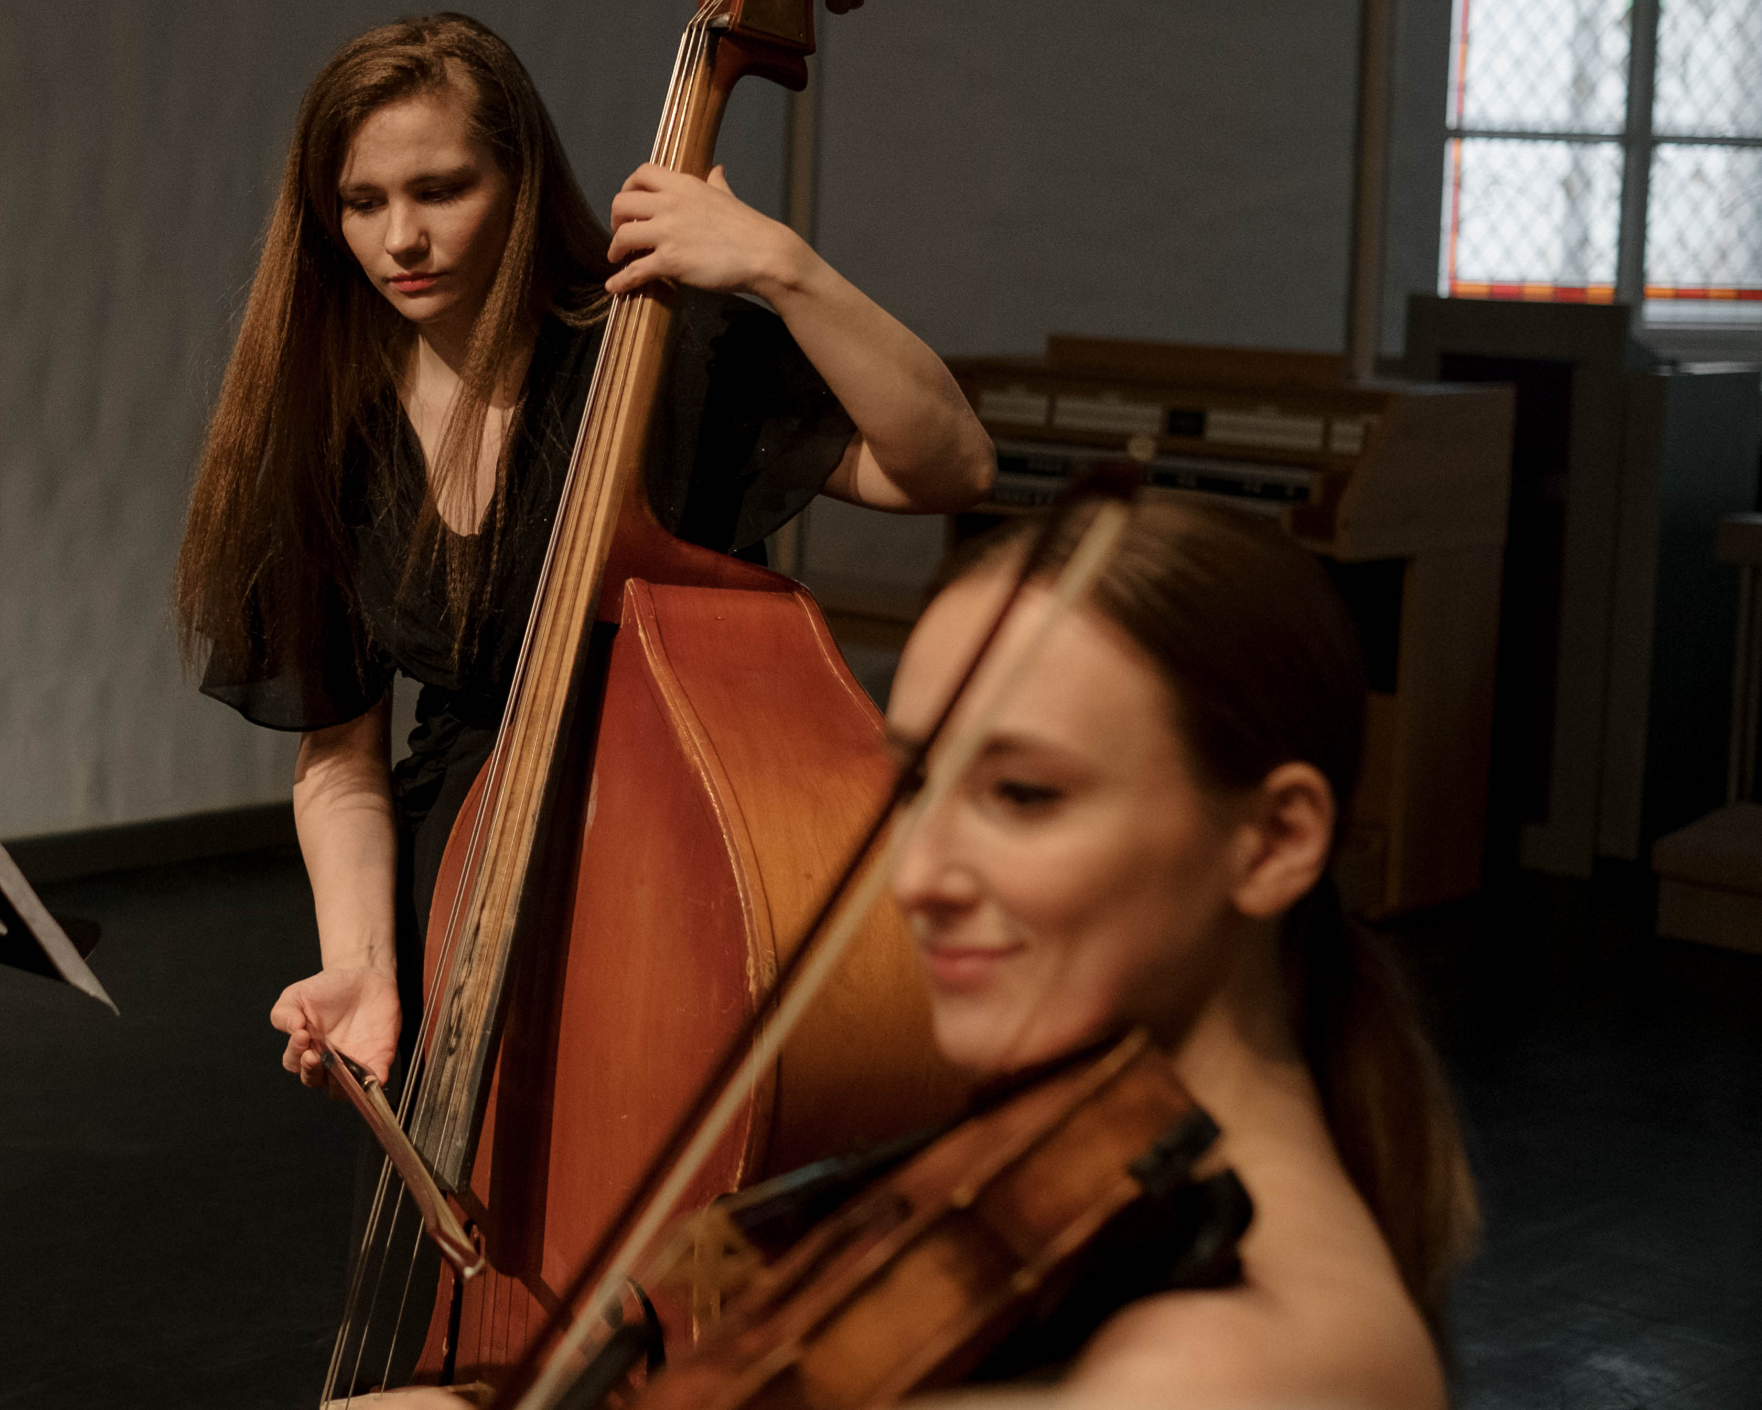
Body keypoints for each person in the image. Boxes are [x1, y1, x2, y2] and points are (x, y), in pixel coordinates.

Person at [353, 491, 1478, 1408]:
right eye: (914, 783)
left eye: (1025, 793)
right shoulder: (1080, 1170)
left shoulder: (1233, 1371)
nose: (920, 875)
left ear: (1274, 839)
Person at [172, 12, 994, 1094]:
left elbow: (944, 467)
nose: (400, 240)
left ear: (519, 181)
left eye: (442, 189)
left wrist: (785, 269)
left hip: (679, 851)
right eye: (363, 203)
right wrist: (361, 965)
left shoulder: (653, 350)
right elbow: (340, 760)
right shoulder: (334, 428)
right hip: (462, 869)